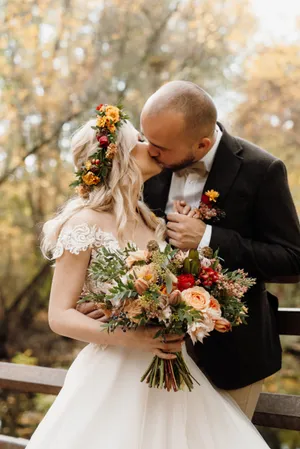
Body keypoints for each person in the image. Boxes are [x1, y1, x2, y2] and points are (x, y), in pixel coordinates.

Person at [25, 104, 271, 449]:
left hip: (174, 370)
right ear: (121, 157)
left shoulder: (154, 223)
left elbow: (169, 290)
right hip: (115, 374)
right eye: (140, 140)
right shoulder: (83, 223)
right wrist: (133, 336)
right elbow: (59, 316)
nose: (151, 145)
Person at [140, 80, 300, 418]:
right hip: (152, 351)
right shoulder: (148, 162)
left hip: (233, 356)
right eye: (146, 139)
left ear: (203, 144)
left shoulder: (262, 170)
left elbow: (292, 258)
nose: (148, 151)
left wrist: (208, 238)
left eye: (160, 146)